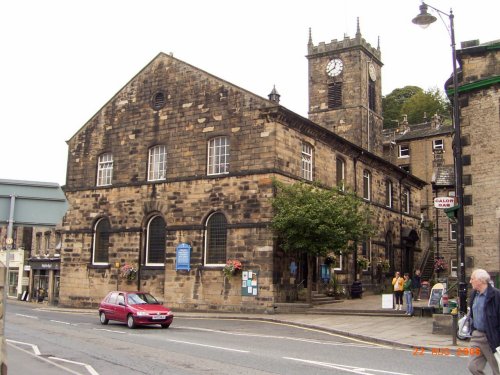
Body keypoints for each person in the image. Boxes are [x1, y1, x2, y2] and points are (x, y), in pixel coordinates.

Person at [467, 269, 500, 375]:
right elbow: (472, 314)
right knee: (473, 366)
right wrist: (472, 330)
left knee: (497, 369)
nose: (470, 281)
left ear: (480, 280)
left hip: (491, 338)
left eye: (472, 279)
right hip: (476, 336)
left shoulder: (496, 295)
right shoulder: (473, 294)